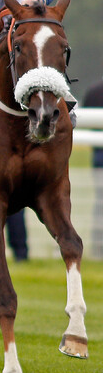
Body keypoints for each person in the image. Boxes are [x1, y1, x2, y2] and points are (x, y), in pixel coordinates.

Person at [84, 77, 103, 259]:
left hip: (98, 154)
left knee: (100, 204)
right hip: (100, 154)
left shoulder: (94, 90)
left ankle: (98, 248)